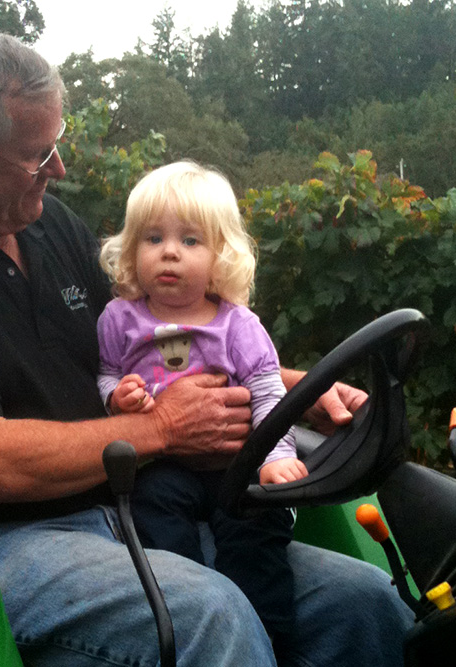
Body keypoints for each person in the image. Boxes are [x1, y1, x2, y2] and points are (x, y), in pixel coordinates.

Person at [0, 23, 413, 667]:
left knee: (363, 600)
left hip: (124, 509)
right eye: (37, 155)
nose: (58, 169)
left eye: (57, 145)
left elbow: (155, 344)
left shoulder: (49, 227)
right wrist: (163, 430)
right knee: (207, 615)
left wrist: (296, 387)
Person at [97, 161, 304, 639]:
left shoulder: (237, 325)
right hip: (163, 463)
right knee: (152, 511)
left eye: (190, 241)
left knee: (257, 526)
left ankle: (270, 636)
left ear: (221, 256)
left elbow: (268, 391)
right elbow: (107, 373)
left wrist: (276, 456)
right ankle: (187, 616)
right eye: (153, 238)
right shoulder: (119, 319)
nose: (169, 252)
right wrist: (116, 398)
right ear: (132, 249)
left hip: (234, 461)